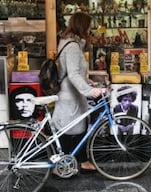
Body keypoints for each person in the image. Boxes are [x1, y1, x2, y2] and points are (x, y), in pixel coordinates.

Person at [52, 12, 104, 173]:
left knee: (80, 127)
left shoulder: (68, 42)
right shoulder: (73, 46)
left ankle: (81, 161)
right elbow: (73, 74)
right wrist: (89, 90)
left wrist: (89, 82)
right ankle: (60, 165)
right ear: (83, 26)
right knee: (67, 130)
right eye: (88, 26)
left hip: (72, 93)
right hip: (70, 96)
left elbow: (72, 72)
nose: (90, 30)